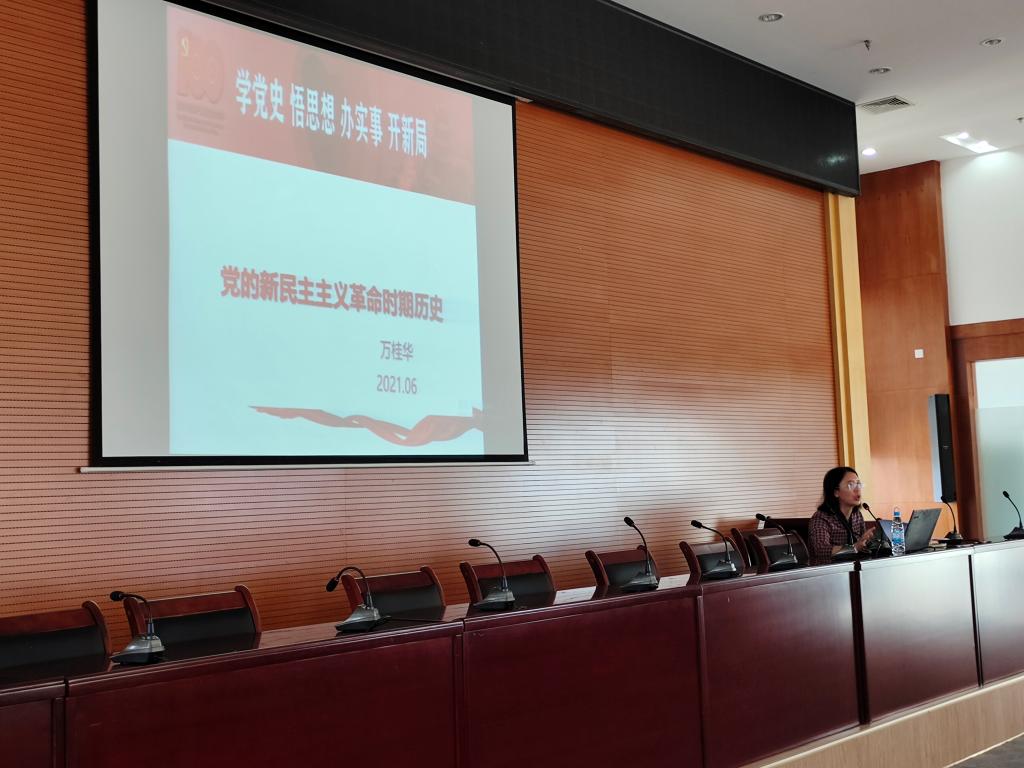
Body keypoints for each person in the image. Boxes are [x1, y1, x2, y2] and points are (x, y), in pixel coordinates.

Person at [808, 466, 876, 563]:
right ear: (836, 492)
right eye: (851, 485)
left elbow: (862, 544)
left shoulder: (857, 515)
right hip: (830, 569)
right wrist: (854, 547)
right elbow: (821, 550)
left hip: (855, 566)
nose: (857, 489)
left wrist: (869, 542)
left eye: (858, 484)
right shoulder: (821, 518)